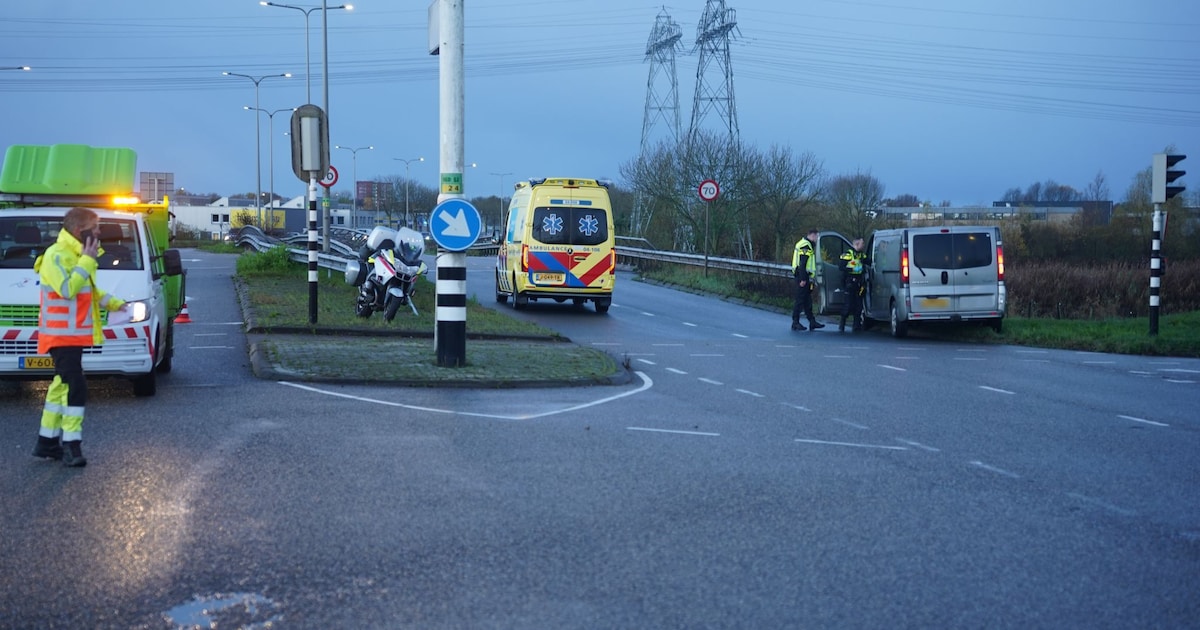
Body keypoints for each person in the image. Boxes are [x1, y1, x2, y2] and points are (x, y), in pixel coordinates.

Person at [31, 207, 127, 467]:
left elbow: (89, 291)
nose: (99, 232)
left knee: (61, 385)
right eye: (94, 228)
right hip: (60, 336)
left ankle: (47, 442)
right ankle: (72, 446)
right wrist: (86, 261)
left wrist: (116, 304)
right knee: (76, 386)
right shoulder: (56, 255)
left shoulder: (76, 255)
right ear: (78, 230)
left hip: (72, 336)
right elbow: (68, 289)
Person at [790, 228, 825, 331]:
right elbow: (803, 264)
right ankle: (795, 322)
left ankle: (812, 321)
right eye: (817, 237)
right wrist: (803, 279)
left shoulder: (804, 243)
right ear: (813, 235)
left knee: (807, 301)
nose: (817, 239)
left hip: (804, 276)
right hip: (802, 276)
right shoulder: (806, 245)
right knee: (800, 300)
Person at [838, 237, 867, 332]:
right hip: (850, 282)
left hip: (859, 282)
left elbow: (868, 261)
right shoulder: (848, 254)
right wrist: (852, 269)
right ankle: (842, 324)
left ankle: (856, 325)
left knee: (859, 305)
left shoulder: (862, 255)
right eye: (862, 243)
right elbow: (841, 267)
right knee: (848, 305)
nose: (863, 245)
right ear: (857, 244)